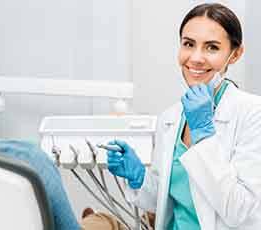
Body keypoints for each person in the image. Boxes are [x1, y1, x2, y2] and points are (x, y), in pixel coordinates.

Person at [107, 3, 261, 230]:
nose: (196, 58)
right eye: (188, 44)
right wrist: (139, 177)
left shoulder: (252, 114)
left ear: (235, 54)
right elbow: (165, 202)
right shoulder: (170, 117)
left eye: (212, 47)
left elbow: (240, 211)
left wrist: (204, 136)